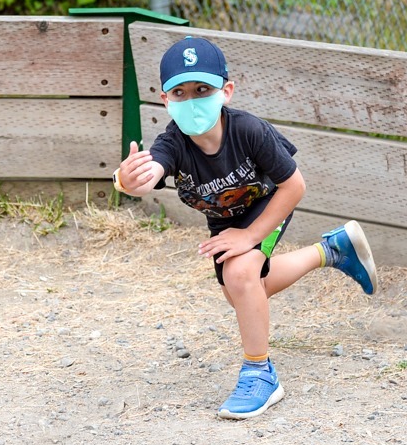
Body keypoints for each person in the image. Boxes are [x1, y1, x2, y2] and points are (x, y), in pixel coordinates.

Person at [113, 36, 378, 420]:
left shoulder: (248, 131)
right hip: (227, 219)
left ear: (227, 91)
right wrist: (127, 179)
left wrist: (251, 236)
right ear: (165, 100)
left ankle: (260, 373)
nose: (192, 101)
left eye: (203, 89)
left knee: (241, 276)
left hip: (269, 204)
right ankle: (332, 251)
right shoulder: (172, 143)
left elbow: (295, 186)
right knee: (244, 292)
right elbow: (151, 170)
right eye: (180, 92)